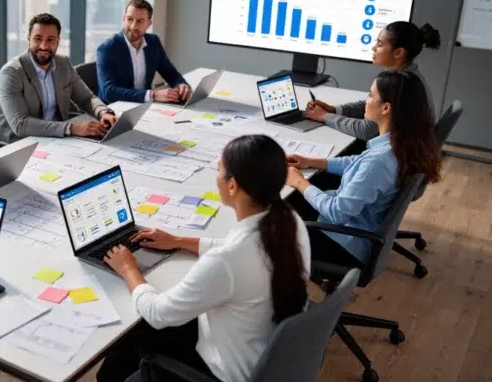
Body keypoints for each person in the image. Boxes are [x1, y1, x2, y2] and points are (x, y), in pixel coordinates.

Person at [97, 134, 311, 382]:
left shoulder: (226, 262)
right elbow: (238, 250)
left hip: (227, 370)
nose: (216, 177)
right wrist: (178, 241)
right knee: (131, 345)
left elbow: (157, 313)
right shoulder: (290, 222)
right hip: (266, 352)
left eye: (218, 170)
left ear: (232, 186)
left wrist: (127, 268)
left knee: (138, 330)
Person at [286, 71, 441, 268]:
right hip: (360, 227)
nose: (365, 101)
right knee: (298, 196)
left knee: (272, 222)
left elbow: (337, 212)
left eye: (370, 95)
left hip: (344, 242)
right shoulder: (401, 143)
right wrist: (313, 162)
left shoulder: (380, 160)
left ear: (386, 108)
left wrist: (299, 181)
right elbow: (359, 162)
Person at [304, 21, 440, 141]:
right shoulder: (407, 75)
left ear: (398, 53)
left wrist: (325, 116)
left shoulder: (400, 85)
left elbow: (366, 130)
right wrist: (335, 110)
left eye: (380, 44)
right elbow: (371, 105)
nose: (373, 48)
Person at [0, 13, 117, 143]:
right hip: (18, 144)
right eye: (38, 39)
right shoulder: (11, 73)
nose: (44, 46)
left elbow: (86, 98)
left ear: (58, 40)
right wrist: (71, 128)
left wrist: (103, 112)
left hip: (54, 138)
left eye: (50, 39)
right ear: (28, 39)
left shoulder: (63, 63)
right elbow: (20, 124)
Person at [95, 0, 192, 104]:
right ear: (123, 19)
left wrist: (181, 84)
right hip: (114, 110)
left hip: (144, 106)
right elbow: (108, 92)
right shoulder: (107, 48)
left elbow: (170, 72)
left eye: (140, 21)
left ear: (149, 24)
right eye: (130, 19)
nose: (133, 26)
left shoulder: (153, 42)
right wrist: (153, 95)